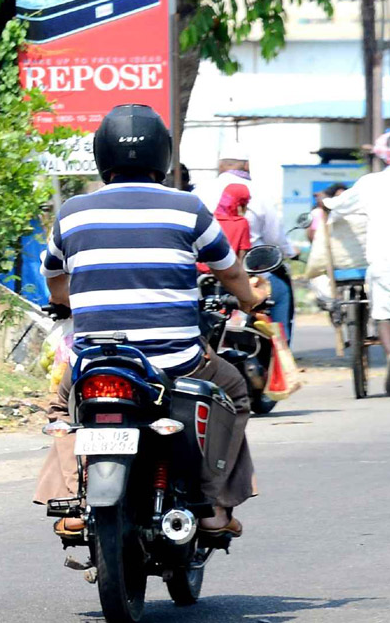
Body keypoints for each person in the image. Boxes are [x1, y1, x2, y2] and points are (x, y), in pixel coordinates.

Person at [34, 104, 264, 539]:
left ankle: (72, 501)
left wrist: (69, 302)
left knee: (62, 403)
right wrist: (250, 300)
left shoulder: (73, 213)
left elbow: (57, 285)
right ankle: (214, 504)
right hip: (176, 361)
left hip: (99, 361)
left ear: (102, 155)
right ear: (164, 155)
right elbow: (230, 272)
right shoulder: (189, 209)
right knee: (234, 388)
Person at [324, 131, 390, 398]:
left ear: (382, 156)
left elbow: (340, 205)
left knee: (382, 313)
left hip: (386, 258)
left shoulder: (370, 183)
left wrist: (324, 201)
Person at [196, 142, 297, 340]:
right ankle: (279, 347)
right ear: (246, 166)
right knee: (281, 293)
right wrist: (290, 252)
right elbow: (274, 238)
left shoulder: (199, 192)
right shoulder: (257, 194)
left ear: (221, 165)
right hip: (248, 270)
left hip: (204, 272)